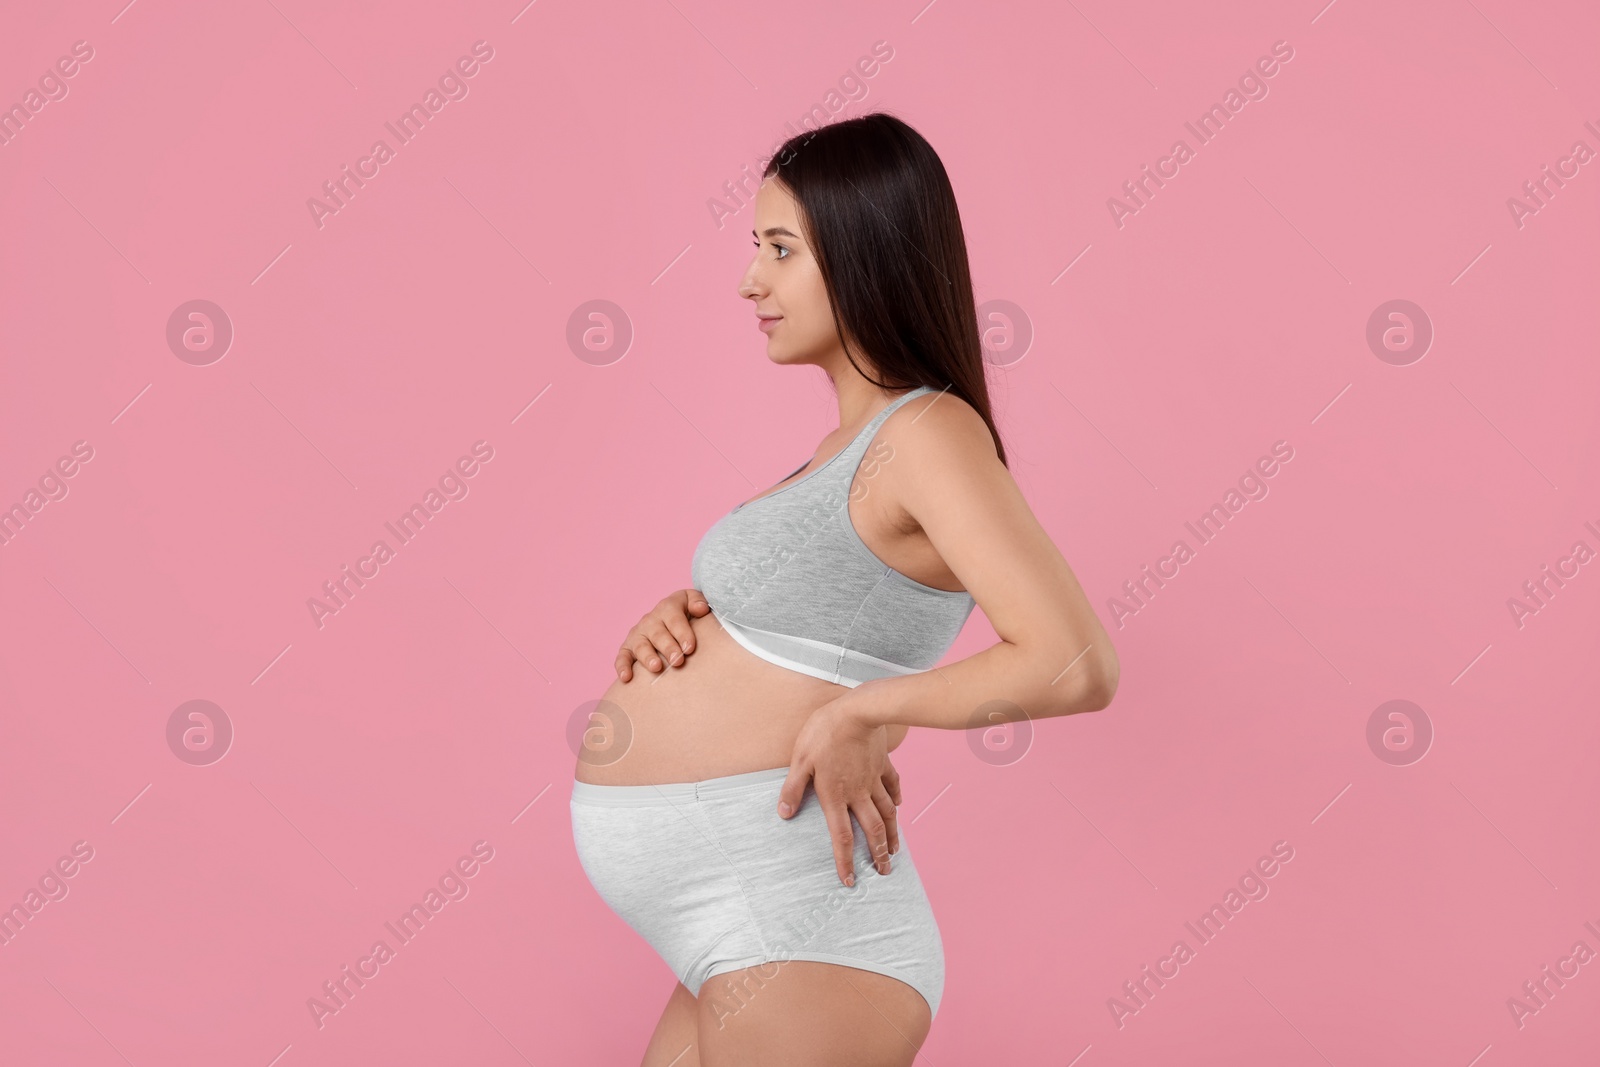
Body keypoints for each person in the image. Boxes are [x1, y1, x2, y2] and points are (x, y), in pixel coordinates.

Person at [569, 112, 1120, 1067]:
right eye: (756, 248)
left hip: (800, 922)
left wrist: (865, 714)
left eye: (781, 251)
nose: (751, 281)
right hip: (743, 918)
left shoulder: (927, 433)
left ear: (865, 255)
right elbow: (827, 620)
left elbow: (1074, 663)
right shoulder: (841, 452)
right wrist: (693, 614)